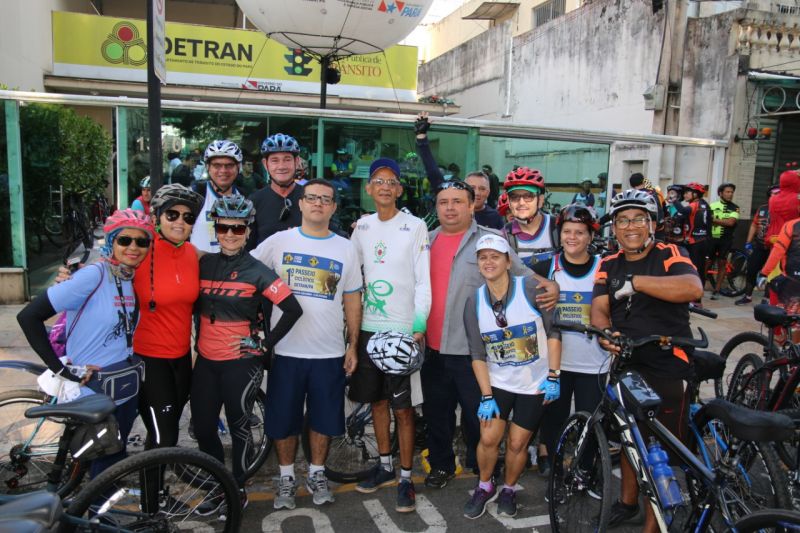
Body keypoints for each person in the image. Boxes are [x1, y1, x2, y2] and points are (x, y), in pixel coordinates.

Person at [421, 179, 558, 489]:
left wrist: (552, 286)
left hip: (474, 352)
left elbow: (523, 273)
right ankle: (442, 465)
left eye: (458, 201)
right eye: (444, 202)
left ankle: (479, 466)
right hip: (432, 347)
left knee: (478, 418)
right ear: (436, 207)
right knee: (437, 414)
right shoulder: (425, 241)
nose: (450, 207)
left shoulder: (491, 240)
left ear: (472, 205)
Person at [591, 189, 703, 531]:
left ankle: (654, 526)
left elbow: (692, 287)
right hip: (627, 362)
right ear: (615, 227)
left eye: (639, 218)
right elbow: (598, 307)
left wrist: (636, 283)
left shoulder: (670, 253)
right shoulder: (608, 263)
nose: (630, 226)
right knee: (628, 437)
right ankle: (628, 503)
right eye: (622, 220)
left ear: (652, 224)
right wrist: (605, 332)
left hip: (668, 360)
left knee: (660, 453)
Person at [251, 179, 362, 510]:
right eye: (311, 198)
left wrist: (353, 345)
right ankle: (286, 476)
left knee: (323, 420)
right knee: (283, 420)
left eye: (325, 200)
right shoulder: (278, 242)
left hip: (328, 353)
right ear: (300, 203)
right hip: (285, 352)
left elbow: (353, 299)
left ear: (333, 208)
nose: (318, 204)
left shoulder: (346, 247)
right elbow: (247, 275)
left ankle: (316, 473)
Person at [17, 209, 155, 477]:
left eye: (142, 241)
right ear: (111, 241)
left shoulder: (128, 277)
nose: (134, 247)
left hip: (124, 382)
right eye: (125, 240)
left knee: (112, 455)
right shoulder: (94, 275)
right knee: (103, 459)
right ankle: (96, 516)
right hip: (93, 387)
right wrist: (58, 367)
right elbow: (29, 316)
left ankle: (92, 511)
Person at [191, 194, 303, 512]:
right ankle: (218, 484)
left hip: (241, 364)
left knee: (240, 427)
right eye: (224, 227)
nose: (229, 234)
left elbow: (292, 309)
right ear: (216, 228)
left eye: (237, 229)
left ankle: (236, 488)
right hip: (206, 362)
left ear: (247, 230)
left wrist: (266, 345)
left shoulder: (258, 270)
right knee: (203, 428)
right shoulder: (204, 264)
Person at [349, 158, 431, 513]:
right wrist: (352, 337)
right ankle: (384, 466)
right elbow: (353, 280)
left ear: (399, 189)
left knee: (404, 409)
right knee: (377, 403)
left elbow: (423, 280)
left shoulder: (414, 227)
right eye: (378, 181)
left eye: (391, 181)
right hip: (369, 330)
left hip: (401, 331)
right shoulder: (362, 228)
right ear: (369, 188)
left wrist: (419, 324)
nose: (384, 186)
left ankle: (406, 477)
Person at [462, 234, 561, 519]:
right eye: (483, 257)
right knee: (489, 438)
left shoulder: (530, 287)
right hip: (498, 382)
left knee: (518, 444)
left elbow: (554, 333)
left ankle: (508, 488)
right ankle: (484, 485)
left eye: (495, 256)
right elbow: (476, 353)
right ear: (478, 264)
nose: (489, 262)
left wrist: (553, 375)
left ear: (508, 261)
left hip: (535, 383)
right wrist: (486, 395)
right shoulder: (474, 300)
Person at [536, 204, 608, 468]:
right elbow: (515, 272)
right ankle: (553, 466)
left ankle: (586, 467)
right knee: (554, 417)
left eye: (580, 232)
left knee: (590, 419)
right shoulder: (547, 266)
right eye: (567, 231)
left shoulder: (604, 267)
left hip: (594, 361)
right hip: (557, 362)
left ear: (590, 236)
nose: (572, 237)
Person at [249, 133, 304, 248]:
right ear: (265, 164)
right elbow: (248, 248)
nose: (281, 166)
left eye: (287, 159)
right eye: (275, 160)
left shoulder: (311, 198)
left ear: (297, 161)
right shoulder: (254, 201)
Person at [191, 140, 244, 253]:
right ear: (208, 167)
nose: (223, 170)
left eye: (229, 165)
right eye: (217, 165)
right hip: (200, 267)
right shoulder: (196, 194)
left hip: (235, 269)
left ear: (238, 167)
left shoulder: (246, 198)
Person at [502, 167, 558, 268]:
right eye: (514, 197)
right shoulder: (504, 236)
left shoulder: (557, 227)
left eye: (528, 196)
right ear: (509, 203)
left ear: (540, 200)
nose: (521, 203)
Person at [736, 184, 779, 305]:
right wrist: (748, 242)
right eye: (774, 194)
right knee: (751, 270)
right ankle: (748, 296)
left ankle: (767, 299)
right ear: (769, 196)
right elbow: (754, 225)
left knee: (771, 273)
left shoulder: (784, 210)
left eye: (779, 194)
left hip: (774, 248)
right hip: (759, 245)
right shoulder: (762, 208)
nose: (777, 196)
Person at [672, 182, 710, 300]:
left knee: (696, 270)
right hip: (702, 240)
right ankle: (694, 296)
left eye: (687, 192)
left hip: (696, 242)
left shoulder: (695, 204)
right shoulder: (704, 204)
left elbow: (683, 211)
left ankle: (697, 300)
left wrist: (674, 200)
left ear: (695, 194)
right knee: (697, 268)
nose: (685, 195)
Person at [708, 183, 740, 300]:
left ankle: (717, 290)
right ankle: (699, 287)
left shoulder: (735, 207)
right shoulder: (712, 205)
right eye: (727, 192)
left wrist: (714, 219)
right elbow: (707, 221)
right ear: (720, 193)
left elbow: (730, 223)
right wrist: (721, 220)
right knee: (707, 263)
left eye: (731, 192)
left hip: (725, 239)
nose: (730, 194)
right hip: (711, 238)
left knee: (722, 264)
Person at [765, 169, 800, 248]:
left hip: (775, 238)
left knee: (776, 258)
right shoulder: (797, 199)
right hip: (792, 239)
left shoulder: (772, 199)